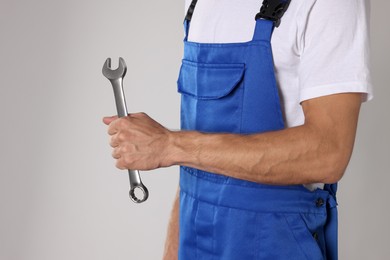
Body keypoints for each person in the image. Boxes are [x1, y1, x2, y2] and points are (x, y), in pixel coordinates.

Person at [103, 0, 372, 259]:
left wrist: (170, 146)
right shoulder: (197, 4)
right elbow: (195, 171)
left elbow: (328, 153)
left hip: (276, 243)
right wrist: (172, 253)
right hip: (194, 240)